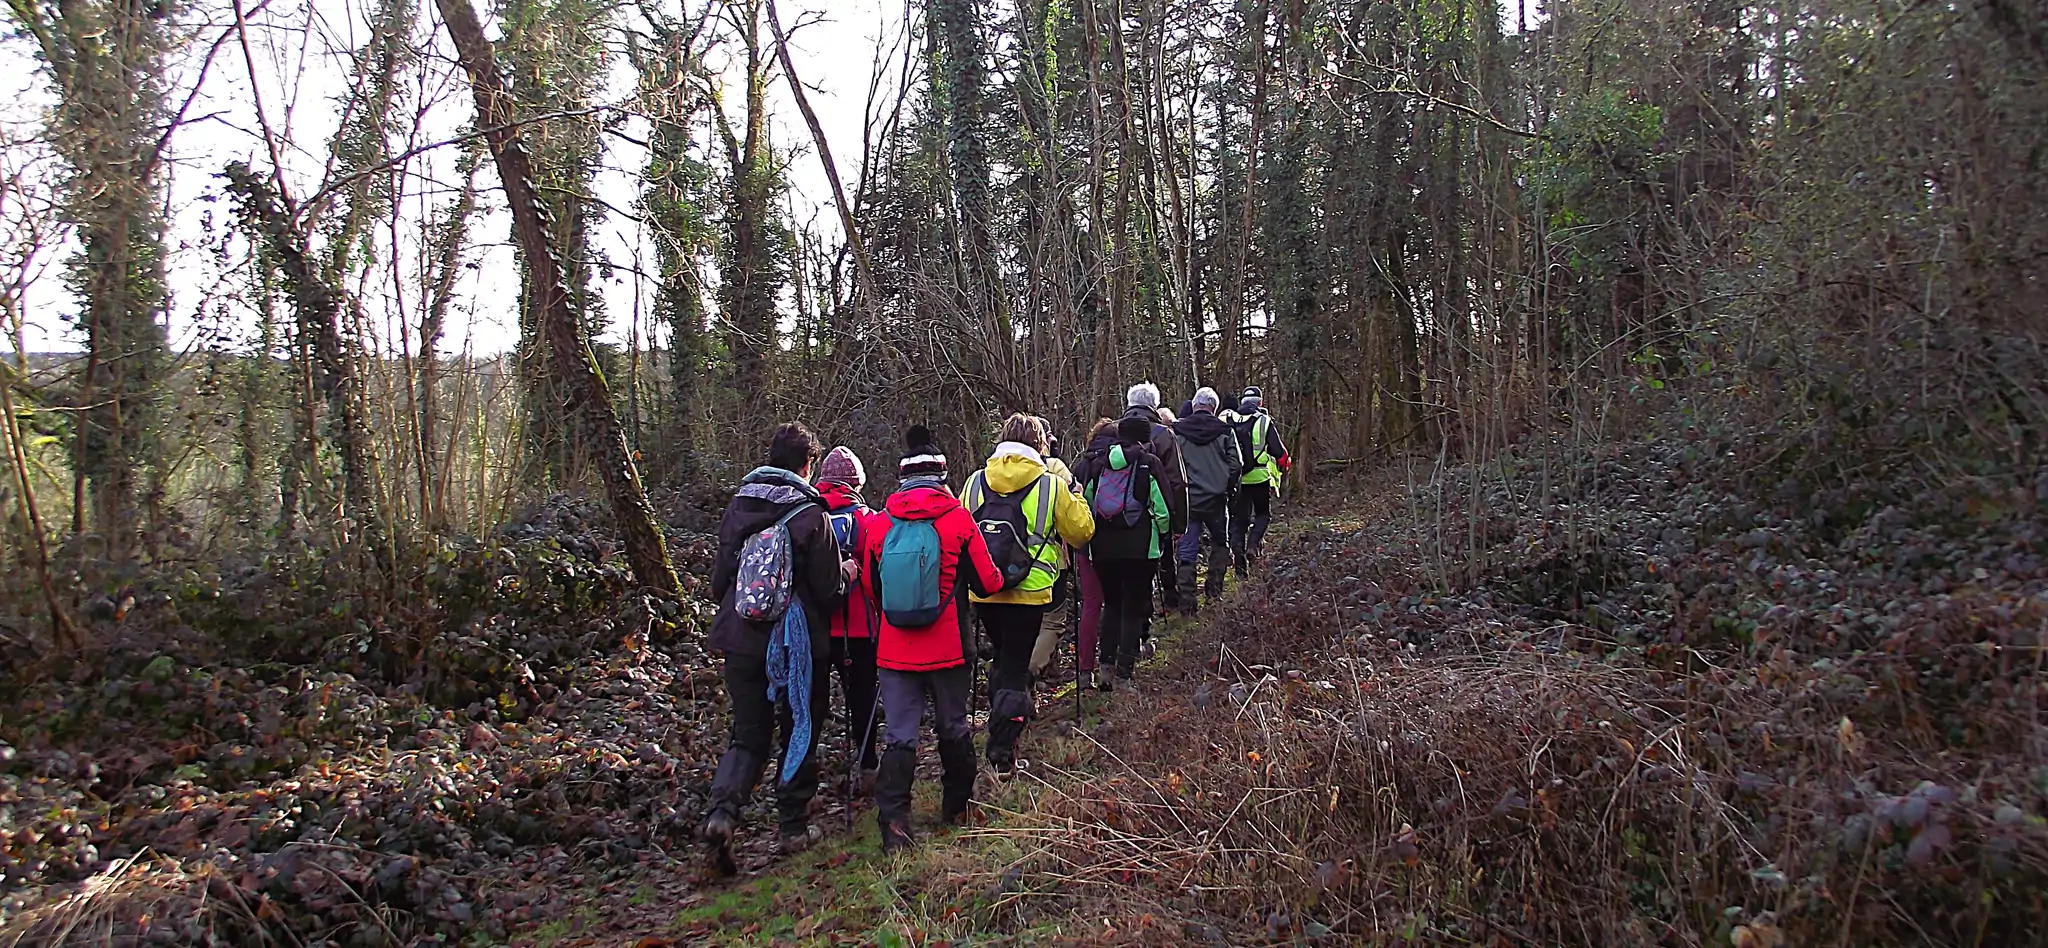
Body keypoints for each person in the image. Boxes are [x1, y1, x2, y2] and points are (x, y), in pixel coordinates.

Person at [703, 423, 846, 867]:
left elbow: (719, 583)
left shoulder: (739, 505)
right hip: (796, 644)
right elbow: (828, 590)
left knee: (748, 735)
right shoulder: (811, 513)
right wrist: (848, 574)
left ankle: (723, 814)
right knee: (801, 726)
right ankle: (793, 826)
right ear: (808, 464)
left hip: (741, 639)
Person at [857, 426, 1006, 852]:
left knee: (899, 734)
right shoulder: (959, 520)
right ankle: (957, 807)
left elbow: (869, 587)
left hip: (894, 650)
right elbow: (989, 582)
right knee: (953, 726)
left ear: (902, 478)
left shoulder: (879, 525)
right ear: (942, 476)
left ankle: (894, 825)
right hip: (950, 648)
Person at [964, 414, 1095, 777]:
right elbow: (1082, 532)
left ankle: (999, 726)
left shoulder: (975, 482)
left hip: (985, 588)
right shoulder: (1051, 484)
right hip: (1030, 590)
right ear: (1040, 445)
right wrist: (1077, 498)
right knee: (1015, 669)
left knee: (1004, 660)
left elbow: (961, 532)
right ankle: (1001, 754)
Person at [1075, 416, 1170, 686]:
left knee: (1113, 605)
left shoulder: (1099, 464)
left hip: (1103, 549)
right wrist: (1163, 535)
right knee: (1132, 609)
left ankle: (1105, 667)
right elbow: (1162, 510)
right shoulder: (1148, 463)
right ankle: (1124, 674)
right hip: (1140, 548)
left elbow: (1087, 505)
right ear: (1144, 438)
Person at [816, 446, 879, 791]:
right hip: (859, 626)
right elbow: (875, 579)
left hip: (815, 626)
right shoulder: (868, 520)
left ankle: (800, 780)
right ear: (857, 483)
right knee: (862, 698)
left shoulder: (807, 516)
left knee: (810, 702)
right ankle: (867, 766)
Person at [1123, 383, 1187, 632]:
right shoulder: (1163, 434)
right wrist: (1178, 523)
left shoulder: (1114, 430)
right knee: (1156, 564)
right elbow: (1177, 482)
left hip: (1114, 516)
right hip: (1154, 515)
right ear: (1154, 406)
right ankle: (1147, 622)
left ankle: (1130, 628)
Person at [1172, 387, 1243, 611]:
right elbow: (1237, 465)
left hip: (1188, 501)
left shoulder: (1177, 431)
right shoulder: (1225, 431)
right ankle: (1214, 592)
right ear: (1214, 407)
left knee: (1187, 550)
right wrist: (1229, 488)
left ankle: (1187, 602)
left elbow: (1170, 466)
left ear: (1194, 405)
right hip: (1217, 500)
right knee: (1220, 544)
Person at [1026, 416, 1083, 680]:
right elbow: (1075, 520)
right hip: (1049, 560)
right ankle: (1029, 672)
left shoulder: (991, 473)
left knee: (1021, 623)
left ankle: (1029, 672)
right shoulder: (1054, 468)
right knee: (1052, 620)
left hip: (1004, 562)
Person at [1066, 418, 1115, 689]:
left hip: (1087, 543)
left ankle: (1085, 670)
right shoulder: (1119, 463)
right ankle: (1110, 662)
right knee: (1115, 603)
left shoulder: (1081, 466)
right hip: (1117, 543)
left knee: (1091, 604)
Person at [1225, 386, 1292, 575]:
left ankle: (1240, 566)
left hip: (1237, 480)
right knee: (1263, 514)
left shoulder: (1229, 419)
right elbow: (1279, 453)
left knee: (1239, 522)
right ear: (1260, 402)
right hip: (1260, 478)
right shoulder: (1263, 421)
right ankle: (1253, 546)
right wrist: (1285, 463)